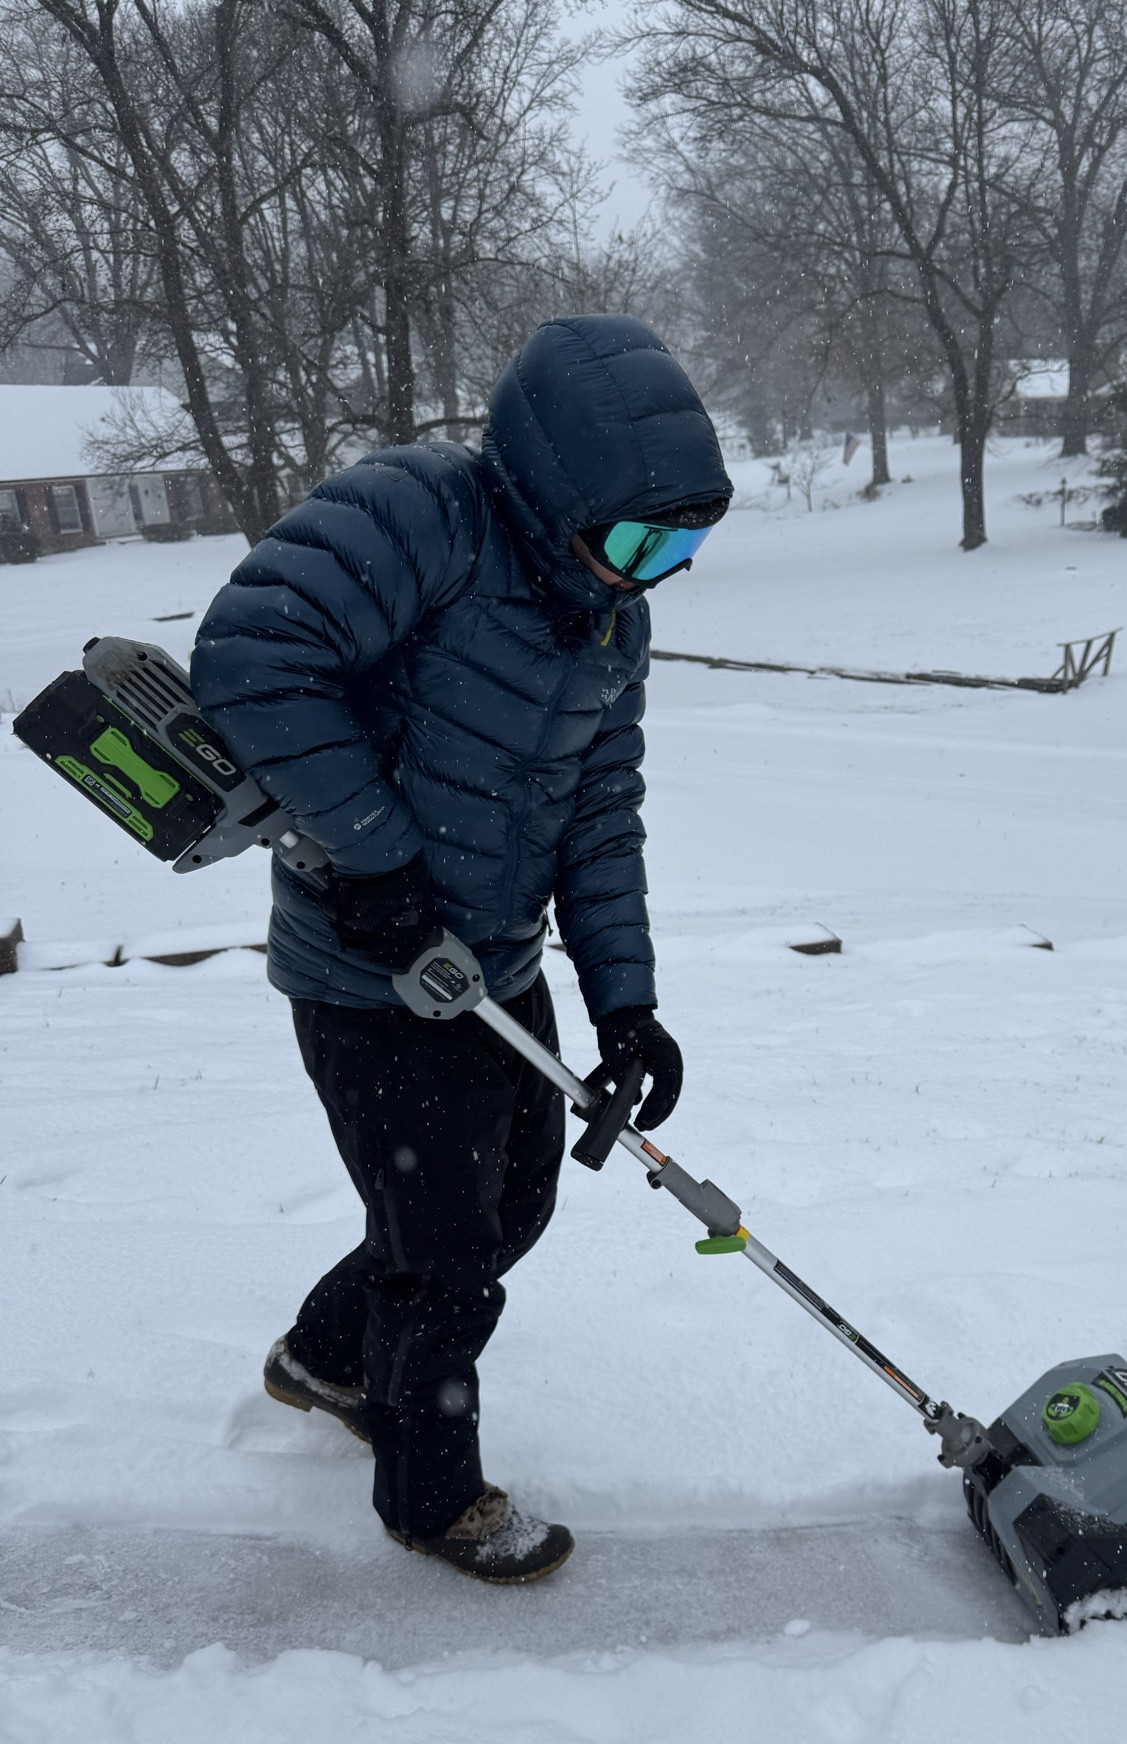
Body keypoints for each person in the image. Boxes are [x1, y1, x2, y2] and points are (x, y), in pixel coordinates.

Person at [190, 315, 733, 1584]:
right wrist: (374, 859)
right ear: (554, 494)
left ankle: (324, 1359)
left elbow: (601, 815)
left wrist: (627, 1007)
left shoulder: (610, 622)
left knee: (511, 1203)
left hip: (492, 962)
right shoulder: (423, 513)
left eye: (684, 546)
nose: (651, 572)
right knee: (442, 1251)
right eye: (638, 538)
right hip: (365, 969)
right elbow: (252, 655)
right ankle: (428, 1493)